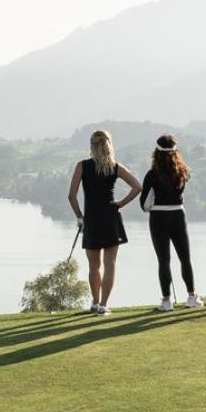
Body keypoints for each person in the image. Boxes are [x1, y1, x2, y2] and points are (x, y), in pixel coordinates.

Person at [68, 129, 141, 315]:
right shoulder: (115, 167)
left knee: (94, 266)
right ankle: (103, 304)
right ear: (109, 145)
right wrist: (121, 204)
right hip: (110, 218)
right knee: (110, 264)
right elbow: (137, 186)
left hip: (91, 220)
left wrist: (80, 218)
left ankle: (94, 301)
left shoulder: (82, 166)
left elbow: (72, 196)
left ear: (92, 146)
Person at [140, 134, 204, 312]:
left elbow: (143, 204)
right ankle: (192, 297)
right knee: (185, 258)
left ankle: (166, 302)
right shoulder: (183, 171)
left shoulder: (151, 175)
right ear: (176, 152)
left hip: (158, 218)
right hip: (178, 215)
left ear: (156, 153)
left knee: (164, 261)